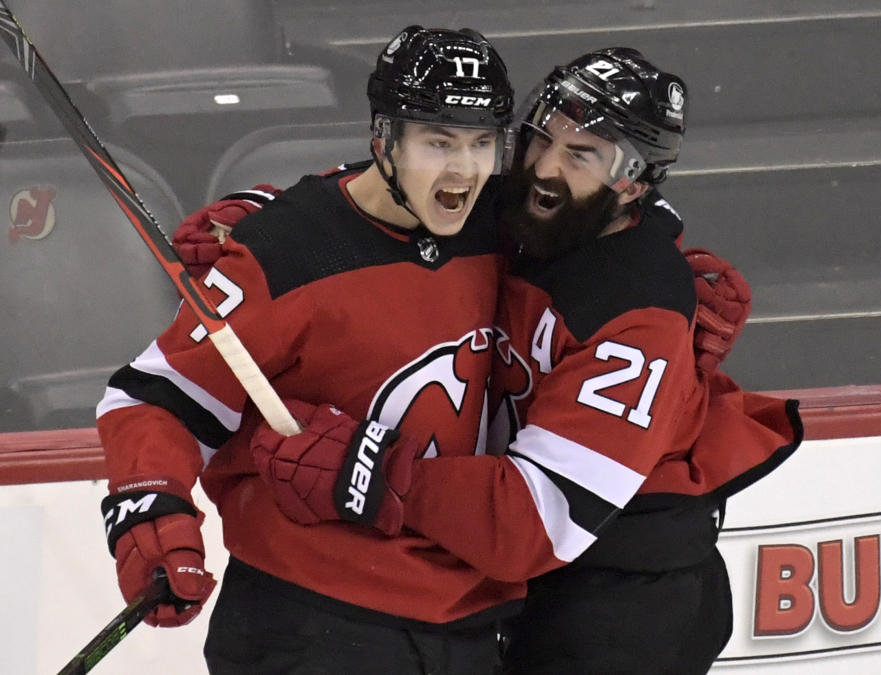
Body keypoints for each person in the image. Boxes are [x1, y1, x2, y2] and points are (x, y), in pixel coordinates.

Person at [198, 49, 801, 674]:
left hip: (623, 596)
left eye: (582, 154)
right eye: (540, 139)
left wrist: (368, 468)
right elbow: (399, 182)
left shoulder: (638, 308)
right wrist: (271, 217)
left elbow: (538, 522)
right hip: (511, 581)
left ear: (635, 181)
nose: (545, 167)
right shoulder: (526, 211)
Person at [96, 25, 520, 674]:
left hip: (477, 622)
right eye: (438, 142)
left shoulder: (509, 230)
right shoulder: (285, 253)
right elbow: (154, 399)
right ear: (384, 139)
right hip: (314, 624)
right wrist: (153, 508)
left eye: (482, 143)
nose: (464, 168)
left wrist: (661, 284)